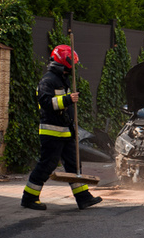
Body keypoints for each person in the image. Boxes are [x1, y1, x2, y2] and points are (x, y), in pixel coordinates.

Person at [21, 45, 102, 211]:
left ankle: (83, 198)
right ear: (62, 63)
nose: (72, 69)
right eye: (70, 65)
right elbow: (45, 103)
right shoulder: (48, 81)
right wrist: (67, 100)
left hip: (65, 132)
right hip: (52, 132)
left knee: (74, 166)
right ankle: (29, 198)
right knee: (47, 165)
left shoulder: (62, 80)